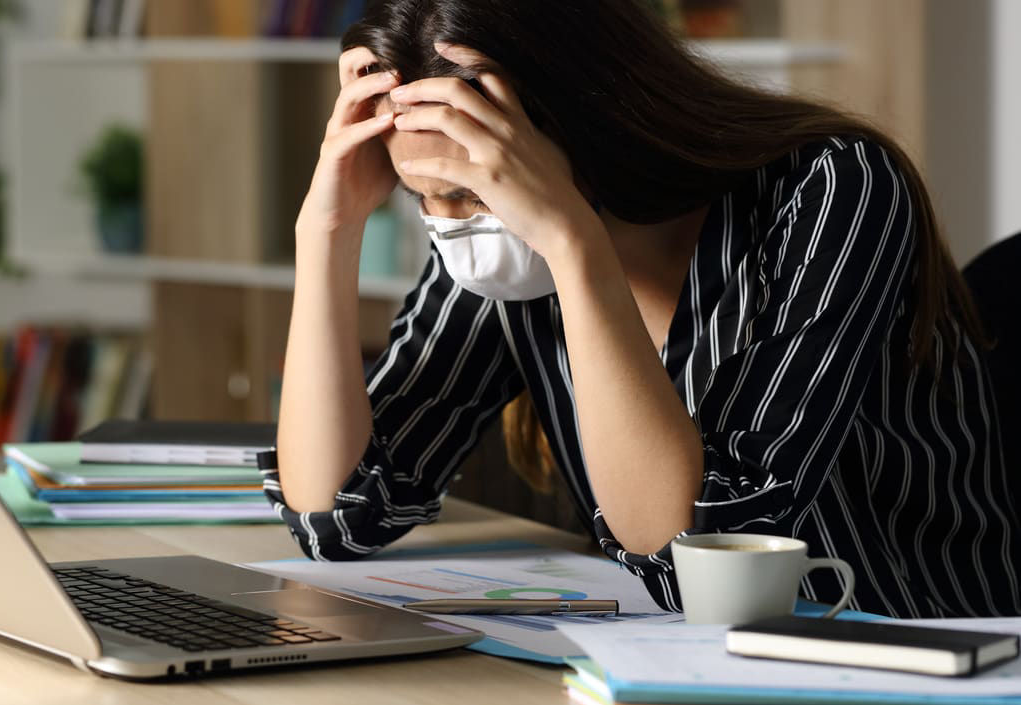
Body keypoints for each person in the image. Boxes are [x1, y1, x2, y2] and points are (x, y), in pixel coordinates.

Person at [261, 0, 1021, 619]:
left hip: (913, 649)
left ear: (588, 123)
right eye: (426, 197)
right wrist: (325, 233)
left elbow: (706, 548)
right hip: (688, 664)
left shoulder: (835, 189)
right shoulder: (501, 257)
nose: (455, 224)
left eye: (473, 191)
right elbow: (339, 516)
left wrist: (570, 239)